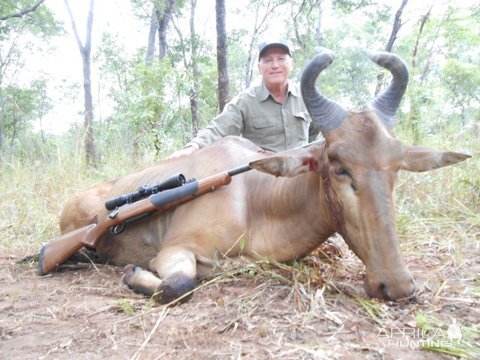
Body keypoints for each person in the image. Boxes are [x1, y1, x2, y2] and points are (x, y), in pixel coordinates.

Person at [169, 39, 320, 158]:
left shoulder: (307, 95)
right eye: (268, 60)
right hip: (265, 179)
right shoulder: (245, 101)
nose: (275, 65)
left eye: (281, 59)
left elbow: (314, 131)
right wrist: (193, 147)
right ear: (260, 67)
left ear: (291, 64)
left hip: (303, 176)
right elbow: (219, 129)